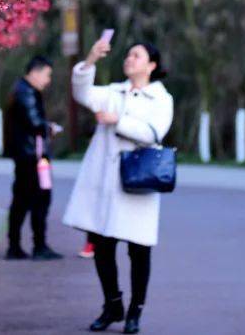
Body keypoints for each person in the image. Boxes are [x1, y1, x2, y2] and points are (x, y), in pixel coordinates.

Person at [63, 39, 173, 334]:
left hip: (138, 185)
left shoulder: (161, 99)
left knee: (139, 252)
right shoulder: (113, 92)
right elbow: (82, 93)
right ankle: (112, 304)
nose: (129, 59)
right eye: (128, 55)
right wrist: (90, 60)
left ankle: (135, 311)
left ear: (151, 65)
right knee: (102, 246)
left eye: (136, 55)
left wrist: (118, 120)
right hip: (106, 185)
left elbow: (153, 133)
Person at [5, 55, 63, 261]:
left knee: (24, 200)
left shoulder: (23, 90)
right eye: (47, 75)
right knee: (37, 200)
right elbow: (34, 122)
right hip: (32, 157)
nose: (48, 81)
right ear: (36, 72)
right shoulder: (26, 92)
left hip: (29, 155)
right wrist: (49, 127)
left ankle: (18, 246)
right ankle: (37, 246)